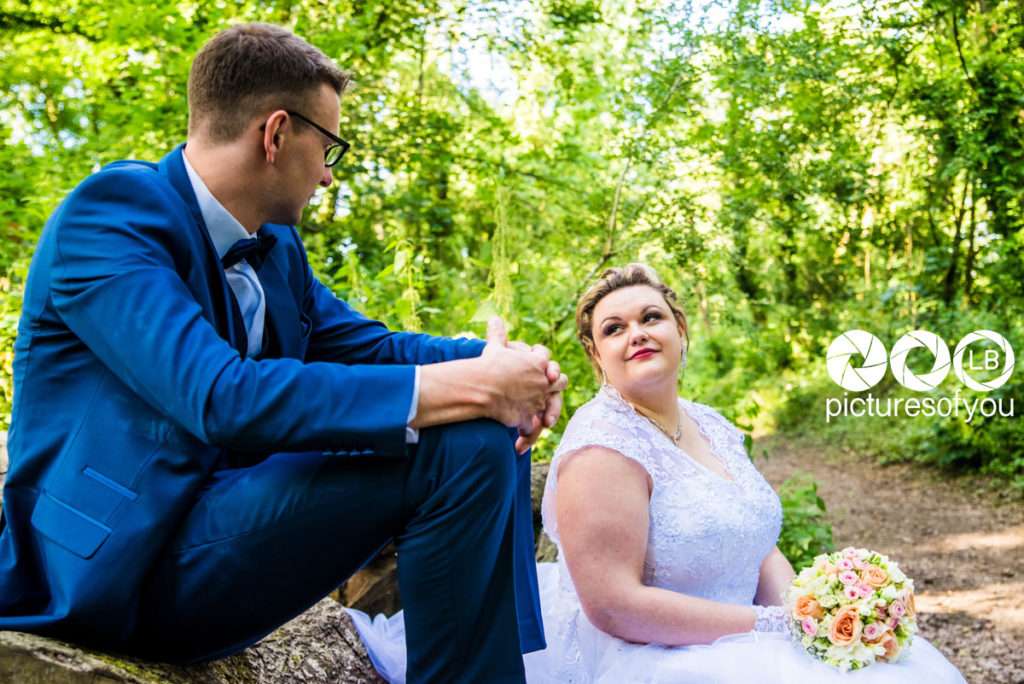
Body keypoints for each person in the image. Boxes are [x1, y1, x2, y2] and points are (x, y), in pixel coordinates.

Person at [0, 23, 566, 684]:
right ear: (275, 133)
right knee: (464, 413)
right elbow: (221, 396)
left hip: (224, 543)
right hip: (113, 566)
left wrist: (499, 368)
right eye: (328, 147)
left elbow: (373, 349)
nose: (328, 175)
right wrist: (476, 387)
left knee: (471, 435)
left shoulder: (275, 250)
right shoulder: (112, 218)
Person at [350, 264, 966, 683]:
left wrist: (816, 614)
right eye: (613, 329)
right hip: (648, 650)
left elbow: (757, 544)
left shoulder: (713, 424)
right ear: (595, 355)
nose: (636, 333)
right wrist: (776, 625)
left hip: (747, 627)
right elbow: (616, 607)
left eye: (651, 317)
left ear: (680, 331)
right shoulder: (602, 445)